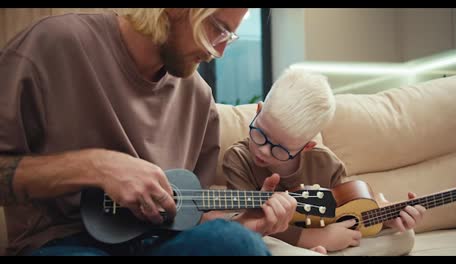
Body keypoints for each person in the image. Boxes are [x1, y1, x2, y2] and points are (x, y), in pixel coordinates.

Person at [0, 8, 298, 256]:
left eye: (228, 37)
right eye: (216, 28)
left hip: (159, 244)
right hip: (61, 242)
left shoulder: (198, 98)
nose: (218, 52)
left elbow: (188, 214)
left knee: (236, 243)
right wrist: (95, 166)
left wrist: (244, 226)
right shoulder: (55, 44)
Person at [222, 68, 427, 253]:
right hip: (273, 240)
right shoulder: (238, 158)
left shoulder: (327, 163)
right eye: (260, 133)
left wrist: (386, 218)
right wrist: (308, 238)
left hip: (329, 240)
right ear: (258, 111)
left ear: (307, 147)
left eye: (281, 149)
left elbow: (348, 215)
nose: (264, 151)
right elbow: (243, 225)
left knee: (403, 238)